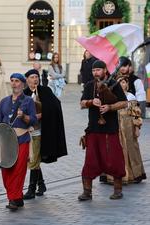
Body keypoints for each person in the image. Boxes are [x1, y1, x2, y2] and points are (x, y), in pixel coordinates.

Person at [78, 60, 127, 201]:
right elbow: (81, 103)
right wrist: (90, 102)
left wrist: (110, 107)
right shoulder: (89, 85)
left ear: (105, 70)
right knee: (91, 160)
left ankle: (118, 190)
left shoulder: (114, 84)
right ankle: (87, 192)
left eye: (98, 70)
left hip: (110, 129)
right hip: (93, 128)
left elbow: (124, 102)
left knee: (114, 158)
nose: (95, 73)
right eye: (94, 71)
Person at [0, 73, 37, 211]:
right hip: (6, 141)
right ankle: (17, 197)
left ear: (23, 84)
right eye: (12, 81)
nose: (14, 83)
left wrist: (23, 116)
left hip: (22, 139)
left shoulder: (28, 101)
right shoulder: (4, 101)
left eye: (17, 81)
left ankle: (13, 199)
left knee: (18, 171)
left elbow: (34, 120)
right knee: (6, 170)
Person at [23, 69, 67, 199]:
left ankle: (31, 189)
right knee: (33, 158)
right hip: (28, 131)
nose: (35, 79)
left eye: (36, 76)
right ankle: (41, 184)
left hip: (42, 130)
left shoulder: (45, 91)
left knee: (34, 158)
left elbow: (55, 106)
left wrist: (42, 114)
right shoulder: (24, 94)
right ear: (27, 80)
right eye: (32, 77)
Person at [106, 76, 146, 184]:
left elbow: (136, 114)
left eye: (123, 82)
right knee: (115, 150)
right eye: (119, 82)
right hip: (115, 127)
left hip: (128, 127)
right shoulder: (113, 97)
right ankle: (114, 175)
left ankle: (135, 174)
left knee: (131, 149)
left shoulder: (130, 97)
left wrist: (137, 127)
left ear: (127, 84)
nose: (121, 84)